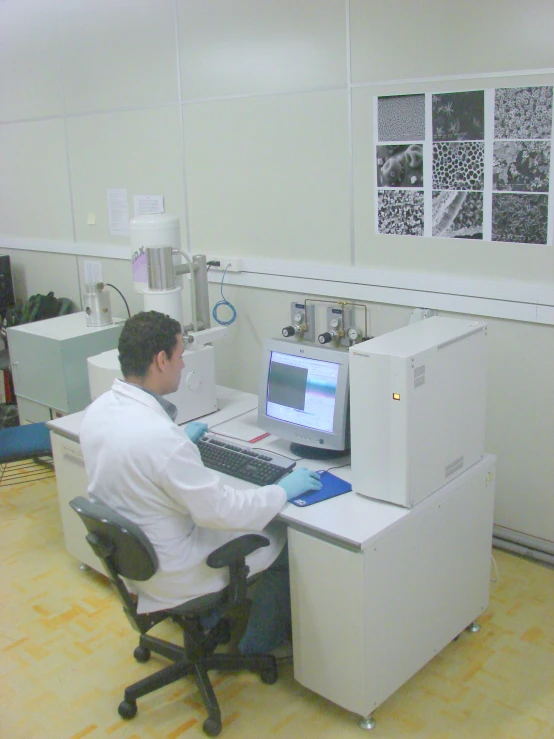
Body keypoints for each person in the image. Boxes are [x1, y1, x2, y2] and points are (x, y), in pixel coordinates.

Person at [79, 310, 321, 655]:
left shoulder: (100, 410)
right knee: (285, 538)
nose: (183, 365)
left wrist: (180, 441)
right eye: (180, 356)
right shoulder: (161, 440)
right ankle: (257, 646)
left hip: (135, 560)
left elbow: (138, 463)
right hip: (176, 569)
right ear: (161, 360)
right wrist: (283, 489)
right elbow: (223, 511)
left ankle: (212, 621)